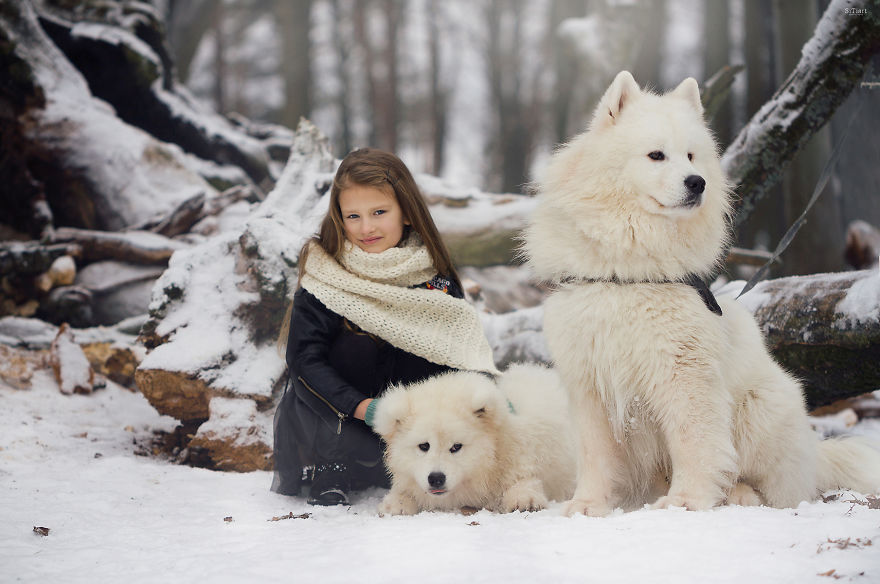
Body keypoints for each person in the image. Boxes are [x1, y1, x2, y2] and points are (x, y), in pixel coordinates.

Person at [271, 148, 498, 506]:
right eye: (353, 216)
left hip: (417, 439)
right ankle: (334, 466)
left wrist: (488, 396)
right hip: (344, 422)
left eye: (379, 212)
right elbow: (303, 359)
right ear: (339, 217)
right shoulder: (325, 272)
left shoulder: (432, 275)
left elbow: (462, 352)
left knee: (426, 350)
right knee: (355, 347)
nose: (366, 228)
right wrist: (363, 407)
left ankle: (416, 470)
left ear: (406, 212)